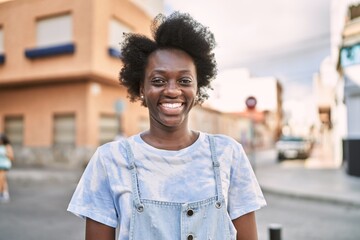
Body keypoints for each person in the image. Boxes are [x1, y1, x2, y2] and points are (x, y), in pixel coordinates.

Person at [68, 11, 266, 240]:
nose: (172, 91)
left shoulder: (228, 154)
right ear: (141, 89)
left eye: (184, 80)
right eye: (159, 80)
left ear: (198, 88)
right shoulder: (109, 160)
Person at [0, 133, 14, 203]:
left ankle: (3, 194)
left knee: (1, 179)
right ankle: (4, 194)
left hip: (4, 165)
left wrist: (5, 154)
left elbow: (11, 157)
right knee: (3, 180)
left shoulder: (7, 146)